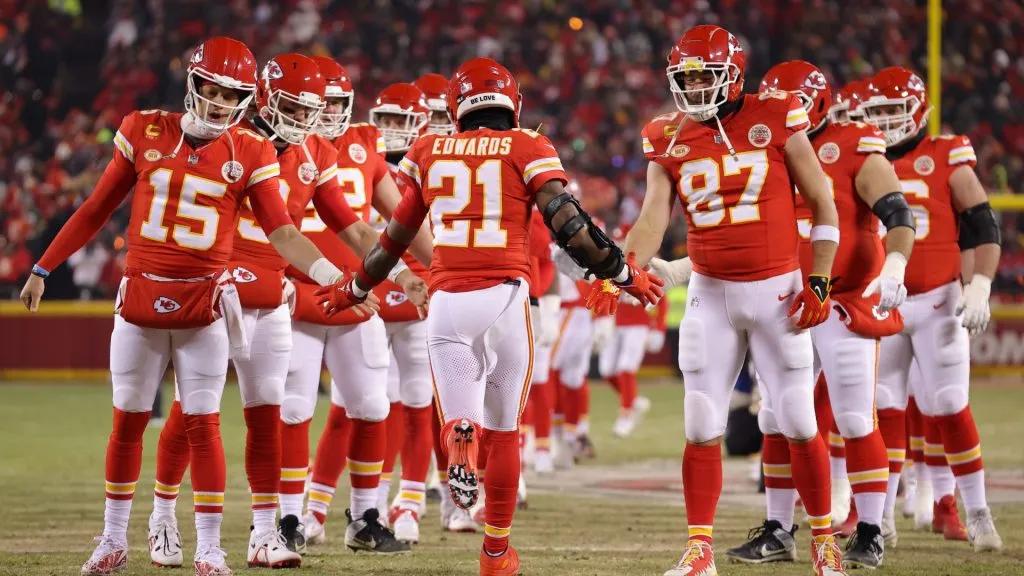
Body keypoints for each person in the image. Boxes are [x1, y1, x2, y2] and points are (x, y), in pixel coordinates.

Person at [20, 37, 371, 576]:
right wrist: (44, 266)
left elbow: (285, 233)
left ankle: (217, 545)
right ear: (192, 81)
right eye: (210, 88)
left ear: (247, 98)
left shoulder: (254, 152)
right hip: (145, 292)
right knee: (135, 421)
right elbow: (95, 209)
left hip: (209, 298)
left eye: (231, 93)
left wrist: (335, 277)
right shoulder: (144, 128)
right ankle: (121, 535)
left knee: (212, 421)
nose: (217, 101)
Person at [317, 57, 662, 576]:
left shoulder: (428, 149)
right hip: (506, 297)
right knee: (504, 432)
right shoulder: (527, 144)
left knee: (460, 418)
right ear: (511, 105)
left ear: (456, 107)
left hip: (448, 302)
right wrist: (619, 272)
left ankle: (460, 435)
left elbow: (395, 236)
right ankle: (496, 552)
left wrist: (356, 286)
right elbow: (568, 222)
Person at [143, 52, 406, 569]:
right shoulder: (226, 136)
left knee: (266, 415)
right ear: (264, 98)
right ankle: (163, 514)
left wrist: (400, 273)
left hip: (270, 294)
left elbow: (351, 227)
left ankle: (266, 533)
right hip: (214, 287)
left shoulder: (313, 154)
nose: (306, 118)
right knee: (192, 411)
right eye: (293, 105)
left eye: (315, 107)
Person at [602, 25, 846, 576]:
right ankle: (700, 550)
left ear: (734, 73)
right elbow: (652, 219)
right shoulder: (667, 135)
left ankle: (825, 543)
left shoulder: (778, 115)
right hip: (709, 294)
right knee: (699, 422)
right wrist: (621, 269)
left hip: (778, 289)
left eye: (703, 75)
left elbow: (823, 203)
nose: (692, 86)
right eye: (684, 77)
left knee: (799, 420)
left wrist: (821, 278)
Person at [725, 60, 916, 569]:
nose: (787, 115)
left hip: (844, 300)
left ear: (820, 104)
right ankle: (778, 528)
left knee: (854, 417)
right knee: (775, 416)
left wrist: (895, 262)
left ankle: (871, 529)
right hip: (788, 301)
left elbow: (898, 212)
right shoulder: (760, 146)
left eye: (795, 106)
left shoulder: (853, 144)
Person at [288, 55, 432, 555]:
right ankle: (287, 518)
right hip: (298, 293)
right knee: (294, 409)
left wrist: (426, 272)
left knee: (371, 405)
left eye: (334, 103)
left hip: (357, 295)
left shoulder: (364, 148)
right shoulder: (279, 147)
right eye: (318, 103)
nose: (326, 112)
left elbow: (394, 224)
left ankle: (365, 516)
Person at [862, 66, 1003, 552]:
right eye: (876, 112)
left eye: (892, 111)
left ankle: (978, 510)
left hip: (939, 300)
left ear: (919, 111)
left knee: (948, 404)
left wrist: (980, 284)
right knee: (883, 406)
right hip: (883, 302)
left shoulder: (944, 153)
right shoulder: (864, 158)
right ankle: (879, 520)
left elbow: (983, 224)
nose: (883, 121)